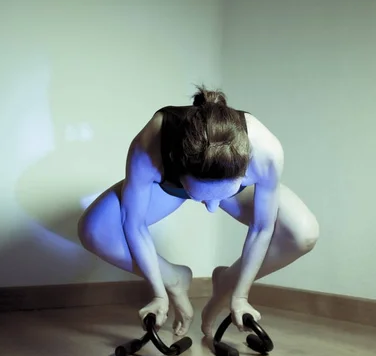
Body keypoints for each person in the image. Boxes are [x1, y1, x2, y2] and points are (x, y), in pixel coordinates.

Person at [78, 86, 319, 338]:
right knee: (93, 231)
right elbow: (134, 224)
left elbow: (262, 227)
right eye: (202, 198)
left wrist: (239, 294)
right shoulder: (151, 143)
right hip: (171, 189)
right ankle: (174, 279)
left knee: (304, 234)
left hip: (221, 185)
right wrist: (160, 292)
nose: (211, 209)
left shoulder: (265, 149)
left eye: (220, 197)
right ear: (176, 167)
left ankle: (226, 281)